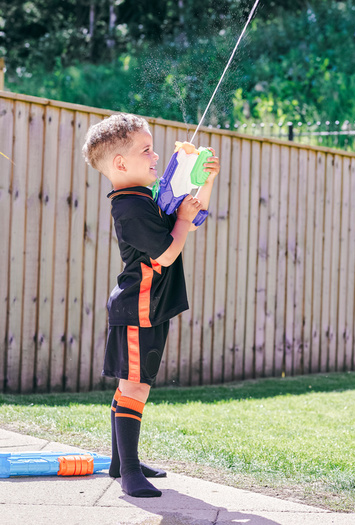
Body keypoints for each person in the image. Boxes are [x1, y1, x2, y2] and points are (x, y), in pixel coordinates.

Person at [82, 114, 219, 497]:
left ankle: (120, 462)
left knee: (133, 385)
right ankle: (129, 473)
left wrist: (204, 180)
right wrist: (184, 220)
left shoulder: (146, 197)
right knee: (135, 388)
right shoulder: (129, 207)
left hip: (149, 306)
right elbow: (168, 253)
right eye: (146, 149)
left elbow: (190, 220)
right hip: (138, 308)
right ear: (121, 163)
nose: (156, 154)